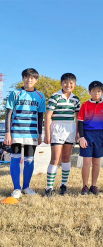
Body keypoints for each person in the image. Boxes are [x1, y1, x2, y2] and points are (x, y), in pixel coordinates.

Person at [4, 68, 46, 198]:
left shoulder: (40, 96)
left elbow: (40, 117)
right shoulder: (16, 93)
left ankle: (26, 187)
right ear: (23, 79)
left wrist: (40, 134)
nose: (29, 80)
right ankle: (17, 188)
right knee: (15, 159)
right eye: (26, 77)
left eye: (32, 78)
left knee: (29, 160)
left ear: (36, 80)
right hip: (16, 131)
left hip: (32, 132)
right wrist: (7, 133)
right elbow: (8, 114)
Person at [44, 73, 80, 197]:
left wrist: (78, 133)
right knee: (55, 158)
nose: (68, 85)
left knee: (66, 157)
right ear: (61, 83)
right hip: (58, 128)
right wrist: (47, 134)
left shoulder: (76, 99)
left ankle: (63, 185)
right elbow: (48, 115)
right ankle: (49, 187)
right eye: (65, 83)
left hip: (71, 128)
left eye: (71, 83)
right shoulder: (55, 97)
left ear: (74, 85)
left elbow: (78, 117)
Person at [78, 81, 103, 195]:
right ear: (89, 92)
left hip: (100, 136)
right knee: (87, 162)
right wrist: (81, 137)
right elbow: (80, 122)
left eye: (98, 91)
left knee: (97, 163)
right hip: (87, 134)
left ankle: (94, 185)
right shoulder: (85, 105)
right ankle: (85, 186)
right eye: (94, 91)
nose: (96, 93)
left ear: (102, 92)